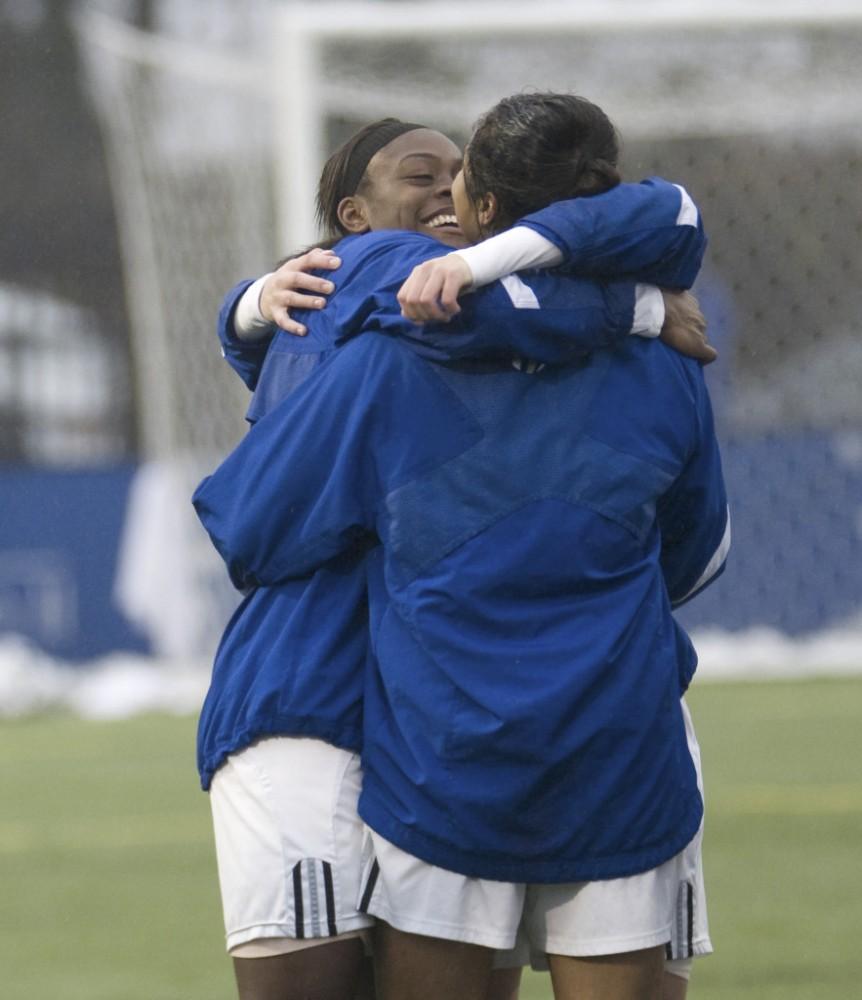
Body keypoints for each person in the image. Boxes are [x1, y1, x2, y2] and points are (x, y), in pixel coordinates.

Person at [194, 93, 728, 1000]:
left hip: (439, 727)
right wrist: (636, 308)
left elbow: (251, 520)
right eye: (421, 176)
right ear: (350, 220)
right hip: (325, 696)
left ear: (490, 206)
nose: (445, 193)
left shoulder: (399, 344)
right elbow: (695, 556)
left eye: (459, 175)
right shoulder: (362, 284)